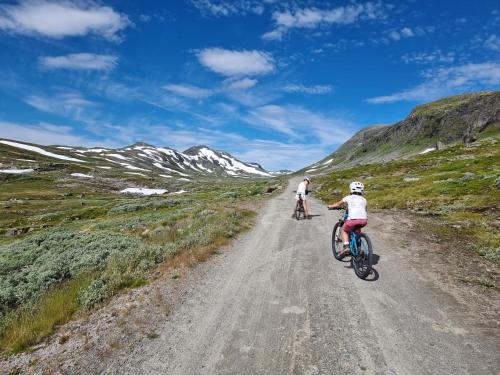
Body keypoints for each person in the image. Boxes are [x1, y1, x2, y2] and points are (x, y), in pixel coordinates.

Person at [327, 181, 367, 255]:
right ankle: (359, 248)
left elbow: (338, 204)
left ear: (351, 189)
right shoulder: (364, 200)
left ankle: (346, 247)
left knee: (344, 230)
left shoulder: (348, 197)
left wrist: (331, 206)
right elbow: (364, 209)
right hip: (364, 221)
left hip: (352, 220)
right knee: (357, 230)